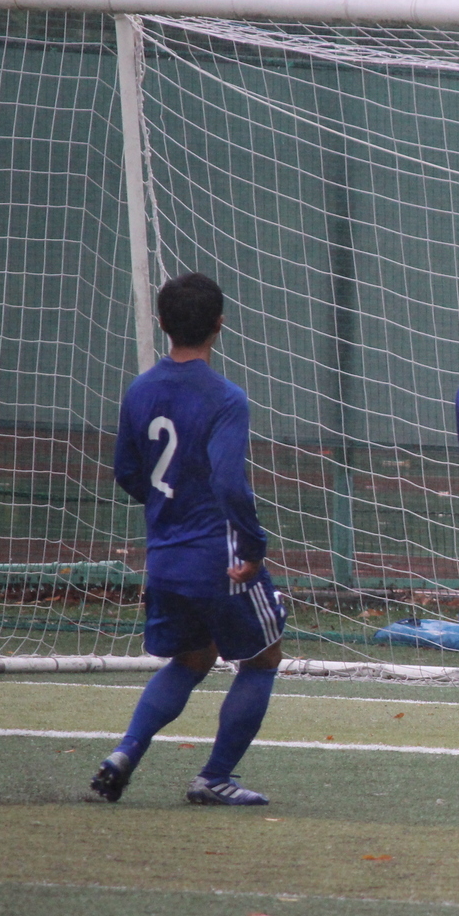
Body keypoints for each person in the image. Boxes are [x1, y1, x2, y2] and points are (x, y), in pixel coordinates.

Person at [91, 273, 286, 806]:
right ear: (219, 326)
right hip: (218, 557)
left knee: (193, 658)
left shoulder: (141, 389)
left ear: (162, 323)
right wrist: (253, 547)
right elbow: (228, 481)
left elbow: (128, 472)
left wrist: (168, 504)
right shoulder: (226, 398)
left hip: (166, 556)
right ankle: (214, 776)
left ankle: (124, 752)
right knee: (263, 656)